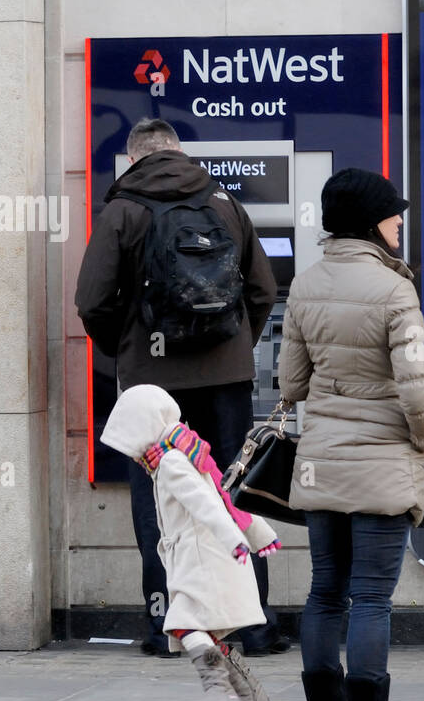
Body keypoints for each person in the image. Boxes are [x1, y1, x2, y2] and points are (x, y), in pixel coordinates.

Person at [75, 118, 288, 657]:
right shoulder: (223, 203)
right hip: (227, 381)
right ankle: (253, 627)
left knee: (159, 499)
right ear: (178, 152)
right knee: (231, 494)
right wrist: (234, 344)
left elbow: (92, 300)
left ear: (134, 158)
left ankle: (167, 627)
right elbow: (263, 289)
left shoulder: (122, 210)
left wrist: (127, 349)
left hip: (151, 384)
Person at [278, 168, 424, 701]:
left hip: (321, 462)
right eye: (392, 212)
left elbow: (291, 383)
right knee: (372, 599)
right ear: (370, 222)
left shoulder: (304, 285)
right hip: (379, 465)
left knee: (327, 594)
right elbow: (414, 385)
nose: (400, 220)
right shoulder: (395, 291)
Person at [99, 384, 279, 701]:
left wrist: (234, 539)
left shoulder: (170, 462)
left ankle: (218, 690)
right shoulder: (179, 453)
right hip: (198, 556)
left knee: (182, 623)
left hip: (202, 559)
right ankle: (250, 693)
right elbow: (224, 497)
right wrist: (250, 535)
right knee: (202, 632)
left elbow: (207, 503)